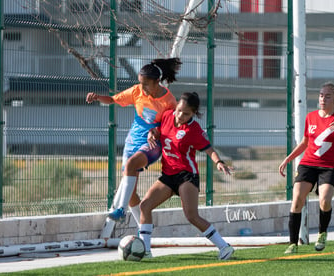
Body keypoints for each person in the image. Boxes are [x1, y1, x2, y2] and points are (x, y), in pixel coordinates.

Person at [139, 92, 235, 260]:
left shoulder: (194, 129)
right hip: (168, 174)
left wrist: (219, 162)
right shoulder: (167, 115)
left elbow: (209, 149)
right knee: (145, 205)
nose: (181, 115)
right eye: (179, 110)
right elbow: (156, 130)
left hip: (186, 176)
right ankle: (145, 251)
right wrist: (151, 134)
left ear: (194, 113)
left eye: (186, 113)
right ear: (176, 107)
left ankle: (224, 247)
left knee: (191, 216)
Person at [86, 58, 182, 225]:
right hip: (132, 141)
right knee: (130, 192)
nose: (142, 88)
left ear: (157, 82)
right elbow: (113, 99)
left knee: (130, 165)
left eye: (146, 84)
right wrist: (97, 97)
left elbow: (169, 127)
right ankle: (144, 230)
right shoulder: (137, 91)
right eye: (140, 83)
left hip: (152, 144)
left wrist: (156, 132)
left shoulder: (169, 101)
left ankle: (121, 210)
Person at [278, 82, 334, 254]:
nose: (323, 99)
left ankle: (322, 233)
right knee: (297, 199)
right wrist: (288, 159)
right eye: (321, 95)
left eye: (327, 96)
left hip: (329, 166)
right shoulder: (311, 117)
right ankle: (292, 244)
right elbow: (305, 143)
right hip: (308, 164)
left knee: (325, 200)